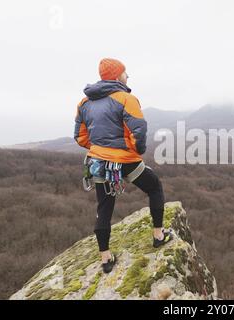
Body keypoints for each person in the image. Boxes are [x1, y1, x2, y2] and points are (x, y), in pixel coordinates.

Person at [74, 58, 172, 273]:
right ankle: (158, 235)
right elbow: (139, 132)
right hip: (126, 161)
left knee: (104, 207)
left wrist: (101, 149)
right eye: (126, 73)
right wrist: (132, 150)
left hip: (98, 162)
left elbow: (80, 137)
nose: (128, 77)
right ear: (117, 76)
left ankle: (105, 259)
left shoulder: (84, 103)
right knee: (154, 187)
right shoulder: (127, 99)